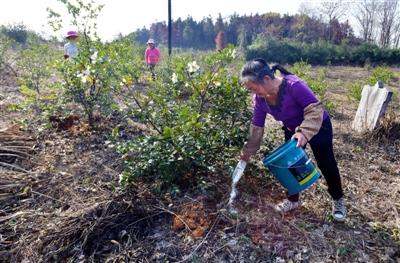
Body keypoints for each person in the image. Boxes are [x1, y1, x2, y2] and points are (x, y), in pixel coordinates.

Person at [239, 58, 346, 222]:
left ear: (267, 79)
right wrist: (248, 151)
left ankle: (338, 199)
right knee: (290, 164)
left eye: (254, 88)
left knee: (326, 162)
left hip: (317, 125)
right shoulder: (260, 100)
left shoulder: (293, 85)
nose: (254, 93)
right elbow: (257, 128)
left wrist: (304, 133)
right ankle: (293, 200)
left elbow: (314, 110)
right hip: (292, 129)